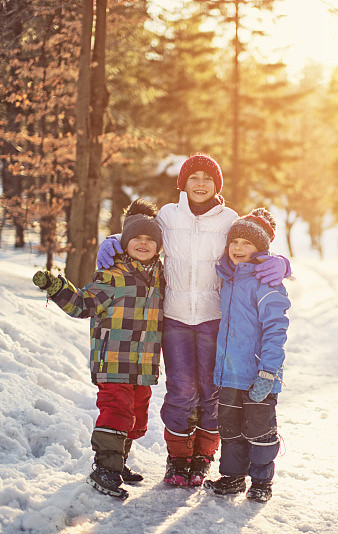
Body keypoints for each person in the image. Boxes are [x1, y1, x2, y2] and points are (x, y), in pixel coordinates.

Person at [96, 153, 290, 487]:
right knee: (181, 389)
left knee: (211, 391)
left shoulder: (229, 218)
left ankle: (202, 457)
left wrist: (281, 262)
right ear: (183, 183)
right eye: (194, 177)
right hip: (174, 317)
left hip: (216, 318)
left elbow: (254, 240)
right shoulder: (168, 215)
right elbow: (142, 237)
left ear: (217, 185)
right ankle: (178, 458)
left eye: (208, 178)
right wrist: (116, 239)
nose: (201, 184)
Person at [33, 204, 164, 499]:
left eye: (150, 240)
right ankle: (104, 469)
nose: (143, 243)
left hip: (143, 365)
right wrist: (56, 287)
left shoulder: (160, 280)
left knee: (136, 417)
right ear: (125, 244)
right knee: (116, 412)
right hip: (114, 361)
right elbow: (81, 305)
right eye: (137, 239)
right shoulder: (112, 277)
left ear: (158, 247)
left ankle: (118, 463)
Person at [204, 208, 290, 503]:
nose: (238, 249)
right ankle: (232, 478)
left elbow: (276, 328)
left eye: (247, 244)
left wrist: (269, 371)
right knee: (229, 430)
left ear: (260, 250)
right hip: (229, 373)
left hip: (257, 375)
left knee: (259, 431)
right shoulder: (228, 279)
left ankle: (262, 482)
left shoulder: (265, 282)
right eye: (234, 242)